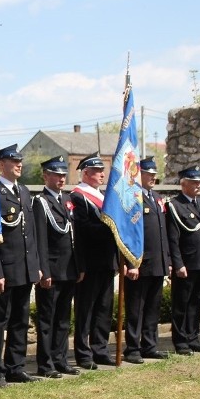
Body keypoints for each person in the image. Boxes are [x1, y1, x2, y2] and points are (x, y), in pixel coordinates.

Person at [0, 144, 42, 387]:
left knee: (20, 320)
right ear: (1, 164)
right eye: (13, 160)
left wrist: (36, 265)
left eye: (20, 160)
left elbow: (31, 233)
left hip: (26, 267)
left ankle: (15, 366)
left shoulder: (25, 192)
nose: (19, 164)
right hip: (6, 270)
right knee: (0, 322)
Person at [32, 156, 82, 378]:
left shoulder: (68, 200)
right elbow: (40, 239)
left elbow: (74, 237)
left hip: (69, 268)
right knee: (47, 319)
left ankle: (61, 359)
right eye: (56, 174)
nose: (61, 179)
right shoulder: (41, 202)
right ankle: (46, 363)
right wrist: (44, 270)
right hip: (51, 270)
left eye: (63, 175)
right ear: (46, 176)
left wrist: (79, 266)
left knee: (63, 319)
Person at [70, 153, 118, 369]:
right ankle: (83, 353)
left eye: (103, 171)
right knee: (85, 309)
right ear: (86, 173)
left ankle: (100, 349)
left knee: (104, 308)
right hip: (89, 261)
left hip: (107, 261)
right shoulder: (78, 197)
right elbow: (83, 229)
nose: (102, 175)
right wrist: (111, 228)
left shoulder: (106, 197)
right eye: (98, 171)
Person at [123, 157, 170, 362]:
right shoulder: (131, 198)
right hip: (140, 263)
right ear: (138, 174)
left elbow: (162, 231)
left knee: (152, 307)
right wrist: (131, 263)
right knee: (136, 308)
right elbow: (127, 234)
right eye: (149, 174)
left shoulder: (157, 197)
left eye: (154, 174)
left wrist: (166, 259)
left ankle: (149, 345)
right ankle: (133, 348)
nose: (153, 177)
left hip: (157, 262)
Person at [165, 166, 200, 355]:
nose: (197, 185)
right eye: (193, 182)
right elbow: (173, 238)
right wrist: (178, 264)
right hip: (187, 263)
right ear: (183, 184)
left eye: (199, 182)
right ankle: (180, 341)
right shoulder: (175, 205)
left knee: (197, 303)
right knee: (181, 304)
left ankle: (193, 337)